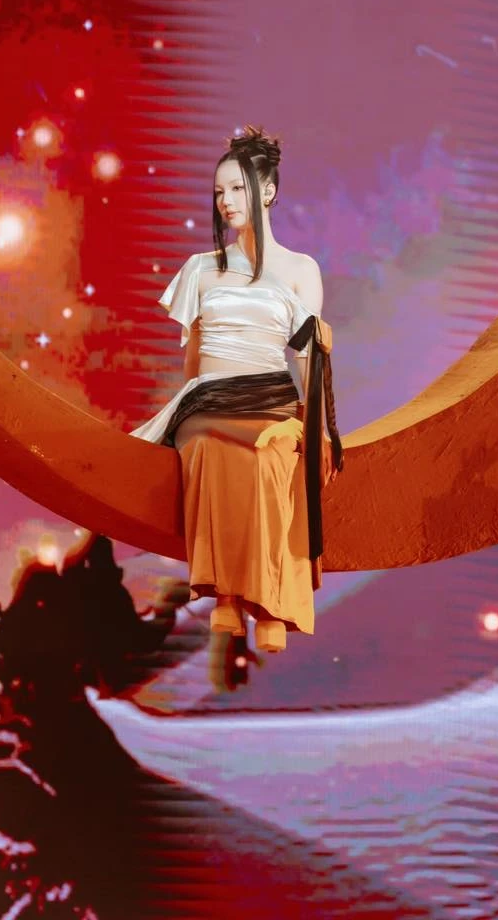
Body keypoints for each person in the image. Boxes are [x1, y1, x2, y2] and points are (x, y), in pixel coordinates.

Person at [132, 126, 343, 656]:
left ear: (267, 191)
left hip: (271, 398)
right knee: (206, 444)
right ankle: (225, 593)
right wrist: (185, 408)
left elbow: (308, 359)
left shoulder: (300, 270)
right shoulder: (201, 269)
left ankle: (269, 603)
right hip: (210, 399)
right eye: (219, 192)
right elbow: (192, 362)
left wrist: (319, 428)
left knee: (272, 455)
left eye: (237, 189)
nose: (225, 201)